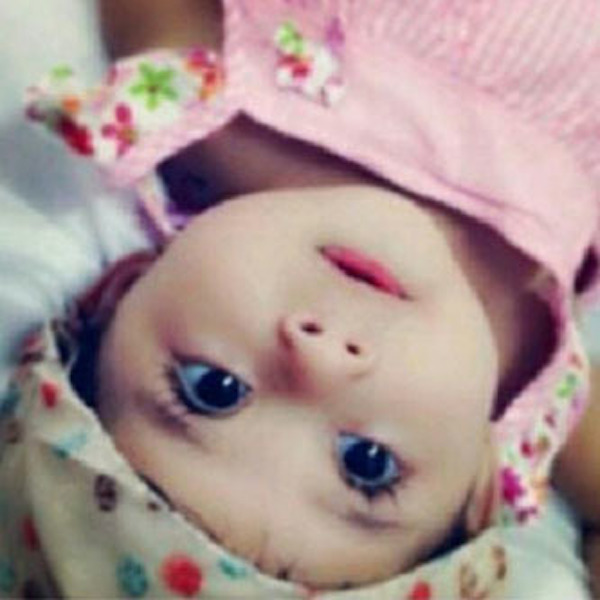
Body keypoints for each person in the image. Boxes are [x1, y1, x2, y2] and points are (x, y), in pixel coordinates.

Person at [0, 0, 598, 597]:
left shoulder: (196, 113)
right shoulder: (523, 375)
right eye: (367, 463)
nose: (322, 359)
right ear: (479, 490)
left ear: (121, 291)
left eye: (214, 388)